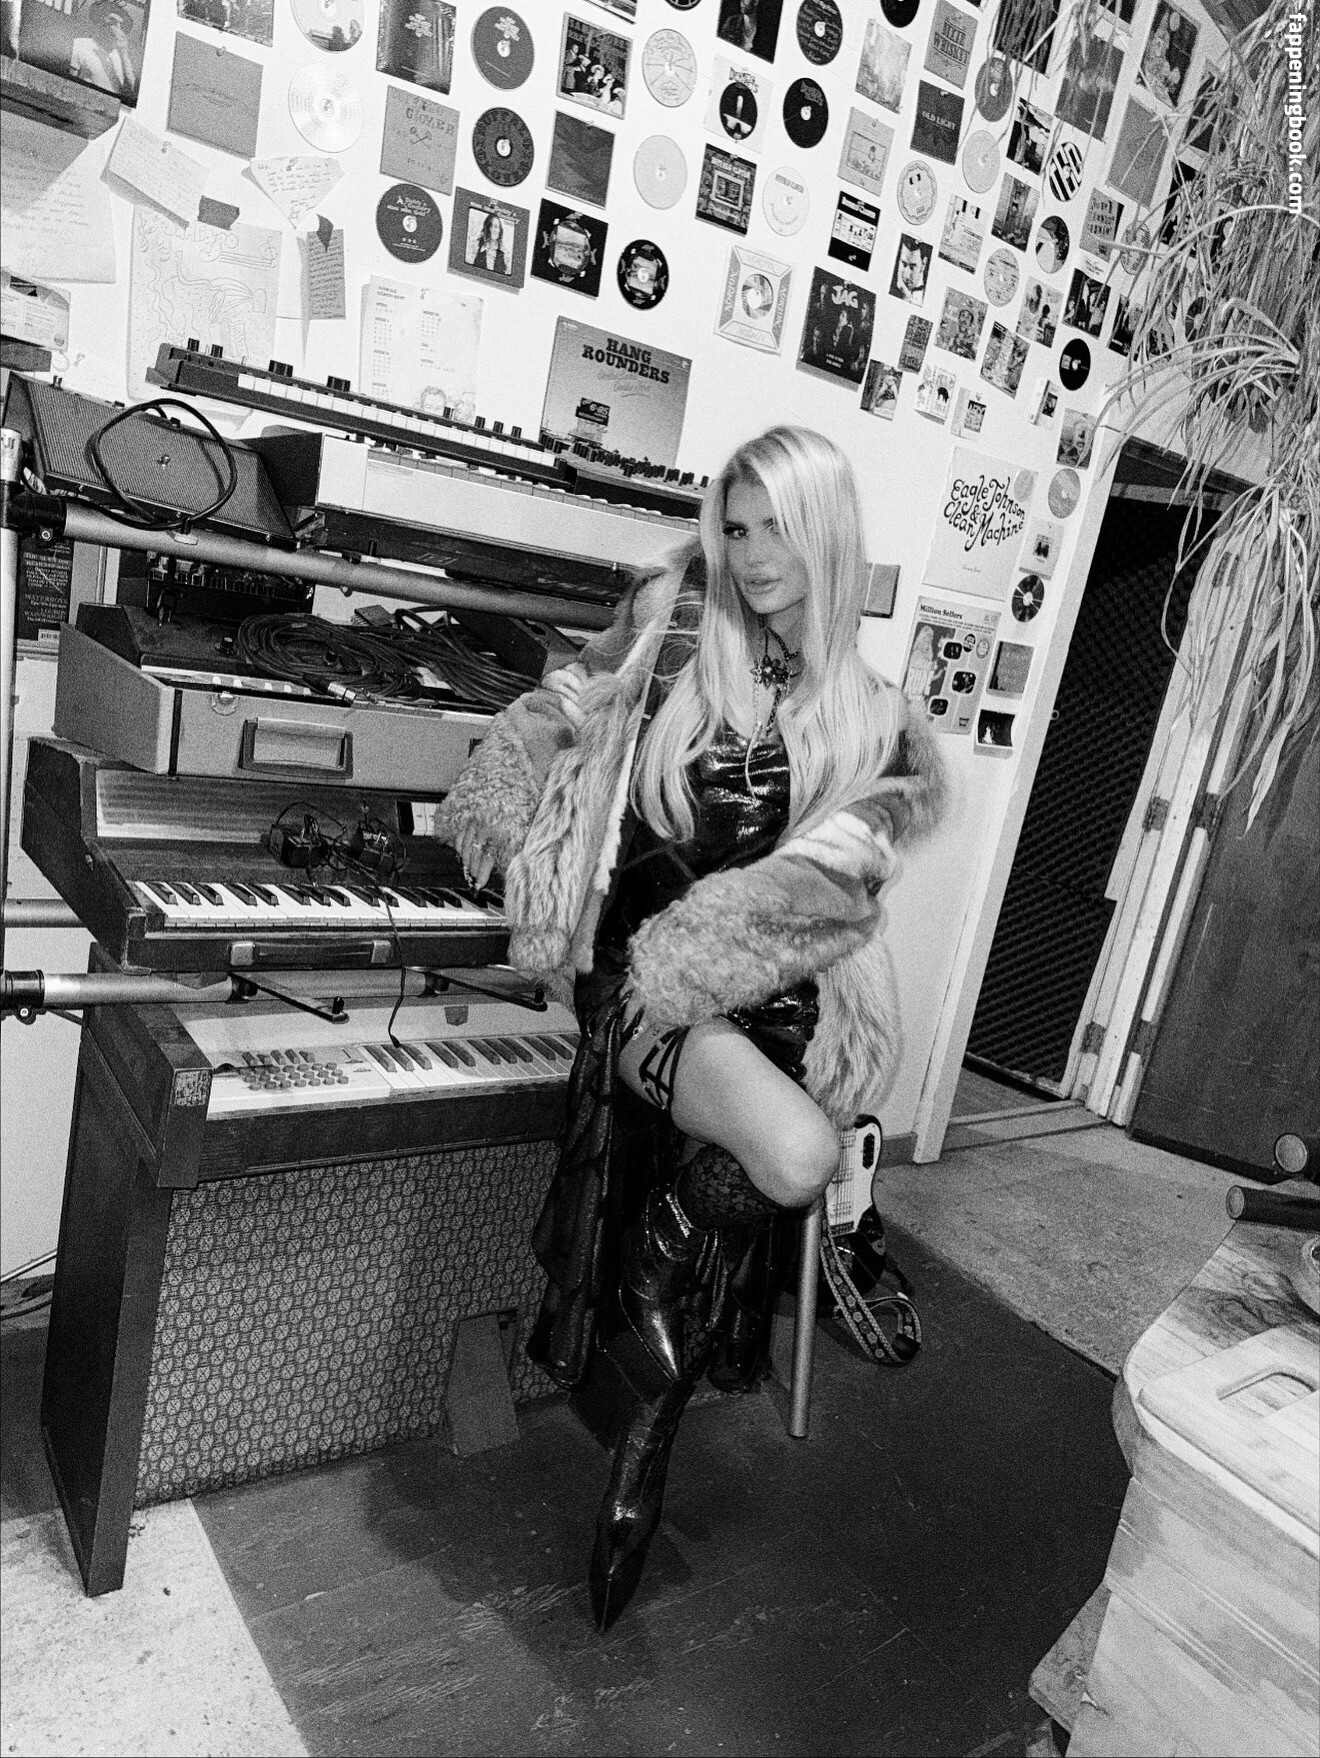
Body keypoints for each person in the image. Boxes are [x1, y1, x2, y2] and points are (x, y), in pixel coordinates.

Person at [436, 426, 946, 1629]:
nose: (752, 555)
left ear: (828, 535)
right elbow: (560, 700)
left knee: (789, 1148)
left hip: (773, 999)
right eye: (735, 525)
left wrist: (752, 940)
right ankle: (651, 1308)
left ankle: (652, 1348)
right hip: (649, 984)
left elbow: (832, 882)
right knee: (798, 1155)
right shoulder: (672, 627)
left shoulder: (877, 721)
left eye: (778, 529)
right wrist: (509, 778)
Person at [69, 0, 138, 96]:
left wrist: (123, 54)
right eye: (113, 21)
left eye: (121, 26)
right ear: (100, 21)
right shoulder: (80, 44)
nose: (117, 28)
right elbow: (69, 81)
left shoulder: (123, 59)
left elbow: (130, 91)